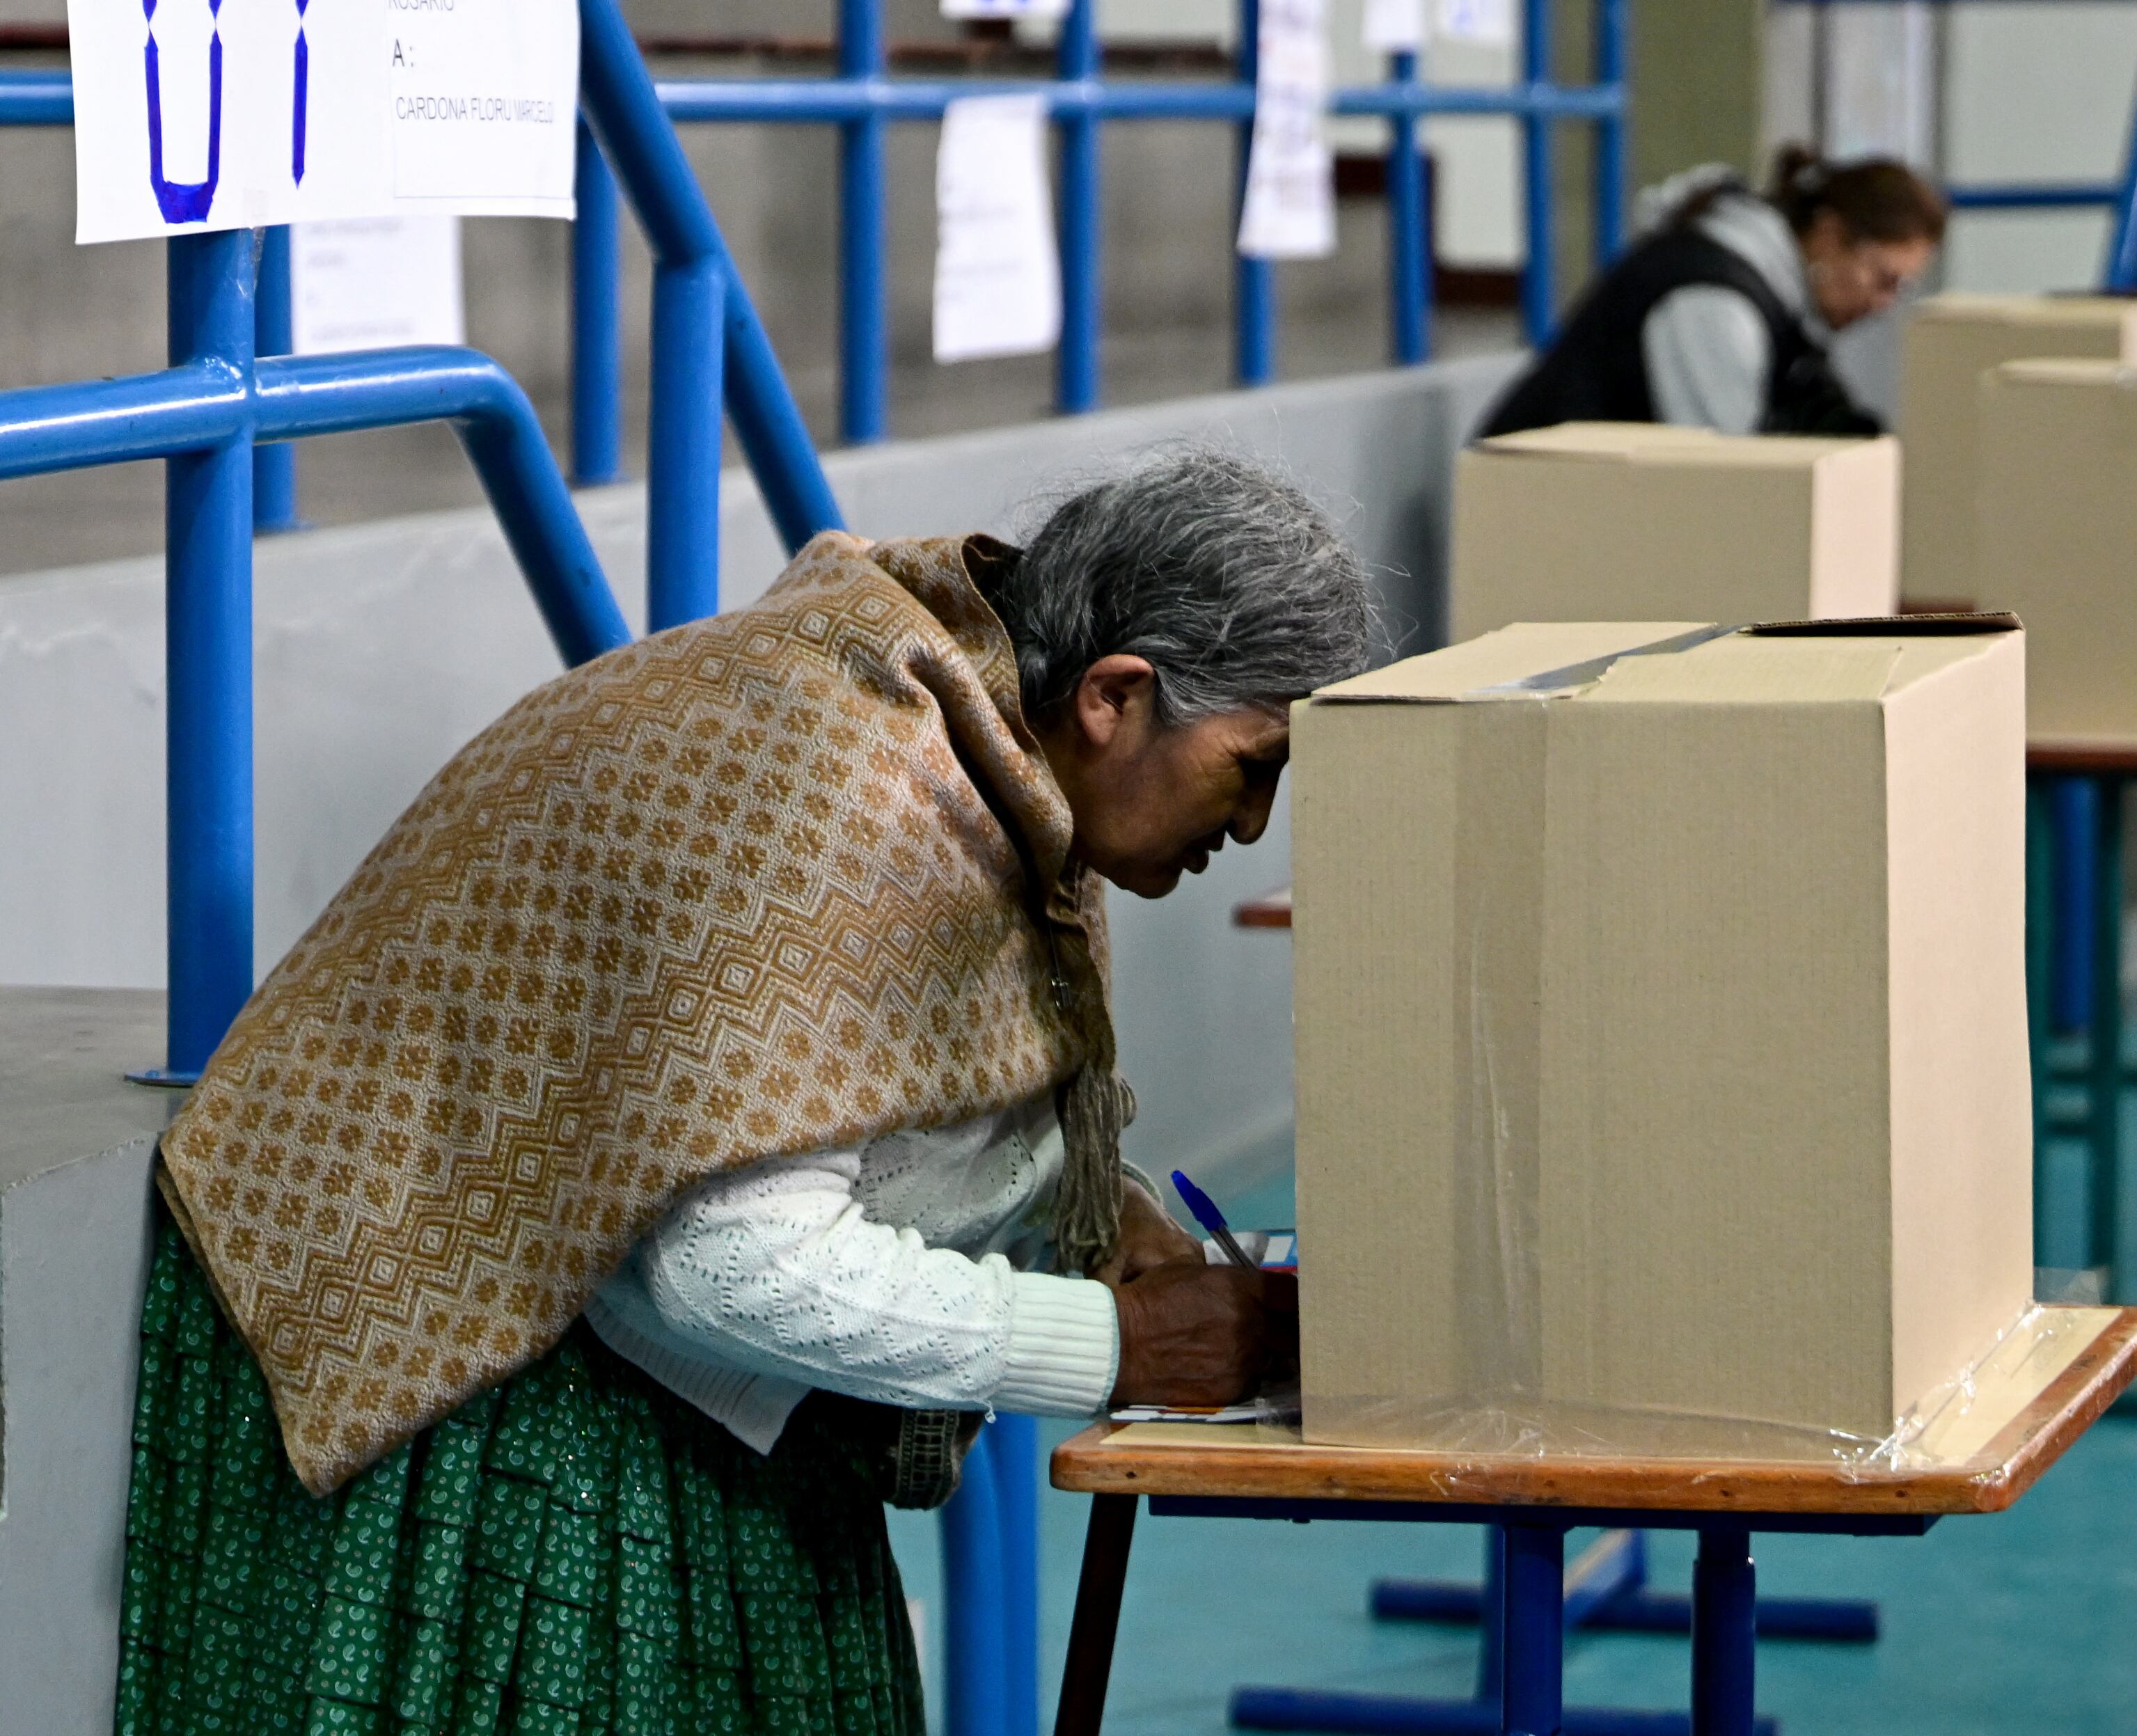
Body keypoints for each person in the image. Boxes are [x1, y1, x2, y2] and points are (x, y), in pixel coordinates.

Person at [116, 450, 1375, 1736]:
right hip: (476, 1366)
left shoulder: (979, 745)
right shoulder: (854, 788)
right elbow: (726, 1266)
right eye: (1253, 761)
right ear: (1115, 696)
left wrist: (1097, 1208)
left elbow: (877, 1079)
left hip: (624, 1355)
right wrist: (1116, 1346)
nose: (1257, 824)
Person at [1476, 144, 1948, 441]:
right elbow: (1724, 479)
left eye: (1901, 289)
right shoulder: (1713, 301)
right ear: (1827, 236)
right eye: (1882, 279)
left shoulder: (1777, 306)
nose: (1883, 304)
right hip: (1542, 523)